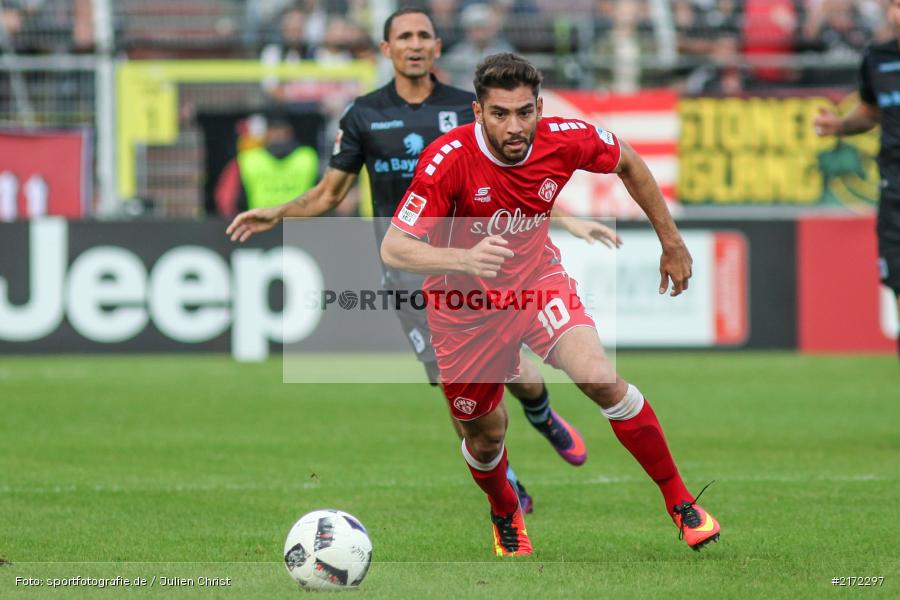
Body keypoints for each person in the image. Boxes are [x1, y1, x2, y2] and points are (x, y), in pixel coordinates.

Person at [227, 9, 618, 512]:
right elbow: (329, 194)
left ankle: (541, 415)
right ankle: (509, 480)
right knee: (452, 385)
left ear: (437, 47)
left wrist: (568, 221)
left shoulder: (473, 109)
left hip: (488, 262)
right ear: (385, 50)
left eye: (423, 36)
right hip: (413, 273)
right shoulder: (363, 116)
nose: (414, 44)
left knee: (519, 372)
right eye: (403, 37)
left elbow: (522, 178)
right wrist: (276, 213)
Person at [380, 53, 721, 556]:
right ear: (478, 113)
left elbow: (628, 160)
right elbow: (395, 246)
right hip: (463, 312)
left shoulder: (563, 136)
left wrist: (671, 242)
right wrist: (464, 258)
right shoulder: (447, 159)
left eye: (524, 112)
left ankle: (681, 502)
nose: (514, 126)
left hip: (538, 283)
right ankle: (505, 512)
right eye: (500, 114)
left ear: (539, 107)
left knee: (600, 378)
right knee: (485, 437)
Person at [813, 0, 900, 359]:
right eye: (894, 5)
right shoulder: (876, 58)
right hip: (894, 189)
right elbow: (871, 111)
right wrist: (841, 126)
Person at [235, 116, 318, 212]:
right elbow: (321, 196)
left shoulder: (250, 159)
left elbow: (239, 202)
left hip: (262, 222)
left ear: (267, 133)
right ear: (289, 132)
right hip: (298, 223)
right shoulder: (307, 156)